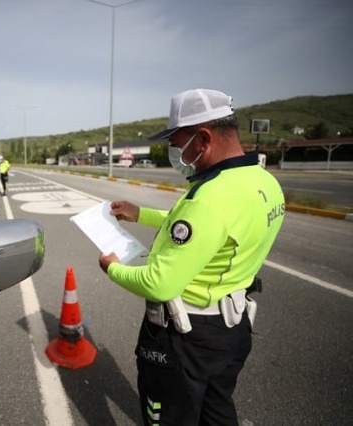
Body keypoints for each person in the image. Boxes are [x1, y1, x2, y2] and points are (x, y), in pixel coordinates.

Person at [97, 89, 285, 426]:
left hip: (185, 339)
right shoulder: (262, 181)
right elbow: (207, 229)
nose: (174, 150)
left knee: (168, 417)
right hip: (231, 330)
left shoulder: (210, 198)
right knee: (217, 412)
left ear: (202, 139)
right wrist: (140, 214)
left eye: (177, 140)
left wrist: (113, 268)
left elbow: (159, 283)